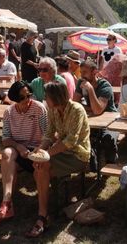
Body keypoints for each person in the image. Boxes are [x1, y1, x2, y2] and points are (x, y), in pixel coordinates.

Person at [26, 81, 90, 238]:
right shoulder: (53, 110)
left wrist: (45, 155)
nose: (45, 98)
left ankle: (43, 214)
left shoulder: (77, 109)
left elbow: (70, 141)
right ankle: (44, 213)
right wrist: (41, 149)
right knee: (41, 168)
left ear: (56, 97)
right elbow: (48, 134)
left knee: (41, 167)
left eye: (47, 96)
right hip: (62, 152)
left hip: (79, 155)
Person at [0, 81, 48, 224]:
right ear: (15, 99)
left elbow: (47, 135)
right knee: (6, 153)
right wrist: (19, 146)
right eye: (22, 97)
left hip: (37, 150)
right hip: (19, 150)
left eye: (29, 95)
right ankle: (7, 201)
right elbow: (5, 139)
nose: (27, 99)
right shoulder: (9, 112)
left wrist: (38, 150)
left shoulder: (39, 108)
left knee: (37, 169)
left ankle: (42, 211)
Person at [73, 59, 118, 168]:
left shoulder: (105, 86)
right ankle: (91, 163)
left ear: (94, 72)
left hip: (110, 121)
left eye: (85, 72)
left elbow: (98, 110)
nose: (82, 75)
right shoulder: (81, 82)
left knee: (107, 138)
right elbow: (75, 104)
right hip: (93, 119)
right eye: (81, 72)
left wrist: (90, 89)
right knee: (80, 136)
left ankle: (111, 162)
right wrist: (90, 108)